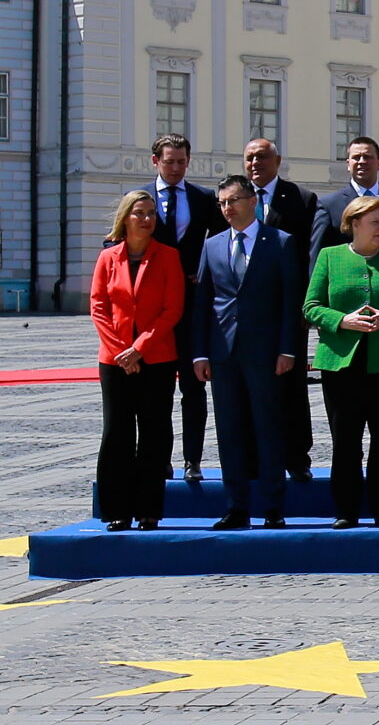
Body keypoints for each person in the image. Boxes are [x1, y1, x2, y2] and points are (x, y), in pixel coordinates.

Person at [193, 174, 303, 531]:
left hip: (266, 352)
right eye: (222, 203)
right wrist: (200, 354)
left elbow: (290, 302)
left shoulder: (280, 242)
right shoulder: (212, 245)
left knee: (268, 429)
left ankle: (273, 507)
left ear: (252, 201)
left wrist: (288, 349)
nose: (227, 209)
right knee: (230, 431)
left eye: (234, 201)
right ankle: (236, 506)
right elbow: (203, 303)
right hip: (224, 353)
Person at [304, 195, 379, 529]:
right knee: (346, 439)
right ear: (354, 224)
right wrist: (343, 321)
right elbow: (311, 306)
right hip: (342, 364)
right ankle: (346, 509)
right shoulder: (330, 257)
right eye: (375, 222)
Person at [89, 191, 184, 531]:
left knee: (154, 433)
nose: (146, 219)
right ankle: (117, 510)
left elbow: (172, 309)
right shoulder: (108, 258)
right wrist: (121, 351)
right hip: (115, 361)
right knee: (117, 433)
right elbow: (99, 307)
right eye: (139, 213)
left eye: (151, 214)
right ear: (125, 218)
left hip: (156, 358)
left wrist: (140, 348)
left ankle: (149, 510)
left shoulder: (168, 256)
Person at [147, 133, 225, 484]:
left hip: (193, 307)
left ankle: (193, 459)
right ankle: (159, 458)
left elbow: (222, 241)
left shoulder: (203, 198)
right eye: (169, 161)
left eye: (181, 161)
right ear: (156, 162)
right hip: (155, 309)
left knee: (194, 389)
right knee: (159, 391)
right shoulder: (141, 199)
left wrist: (205, 273)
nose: (176, 167)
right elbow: (119, 240)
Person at [242, 139, 319, 482]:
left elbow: (310, 256)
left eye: (262, 157)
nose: (256, 163)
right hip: (247, 313)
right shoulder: (236, 196)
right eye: (250, 158)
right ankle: (255, 455)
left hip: (289, 309)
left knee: (292, 385)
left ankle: (297, 456)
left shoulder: (301, 199)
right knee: (252, 386)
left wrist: (306, 305)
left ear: (278, 160)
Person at [315, 136, 379, 253]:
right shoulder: (329, 205)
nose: (362, 161)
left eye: (367, 157)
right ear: (348, 164)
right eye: (356, 157)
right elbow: (318, 254)